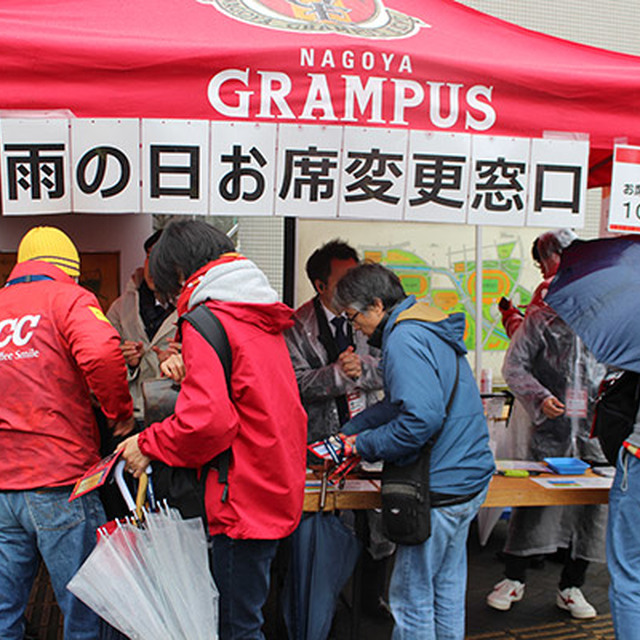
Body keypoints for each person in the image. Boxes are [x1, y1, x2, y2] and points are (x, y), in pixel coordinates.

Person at [117, 219, 307, 640]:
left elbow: (209, 421)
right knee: (248, 618)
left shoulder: (206, 320)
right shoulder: (255, 313)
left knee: (236, 628)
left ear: (183, 273)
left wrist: (148, 443)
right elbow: (248, 398)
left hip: (240, 497)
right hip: (272, 484)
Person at [335, 262, 495, 639]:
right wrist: (355, 427)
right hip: (466, 481)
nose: (354, 327)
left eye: (354, 316)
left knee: (412, 595)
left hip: (437, 486)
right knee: (446, 588)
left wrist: (362, 444)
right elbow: (406, 403)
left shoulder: (405, 338)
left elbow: (420, 420)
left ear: (376, 304)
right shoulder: (427, 326)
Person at [0, 226, 134, 640]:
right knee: (83, 607)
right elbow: (101, 352)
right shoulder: (69, 298)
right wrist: (120, 413)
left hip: (4, 482)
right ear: (69, 270)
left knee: (4, 607)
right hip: (59, 482)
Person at [486, 232, 607, 619]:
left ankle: (573, 585)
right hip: (550, 427)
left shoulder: (608, 317)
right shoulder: (542, 314)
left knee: (592, 510)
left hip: (596, 430)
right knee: (535, 502)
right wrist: (539, 397)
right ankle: (514, 577)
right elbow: (514, 365)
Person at [284, 240, 390, 624]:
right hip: (318, 441)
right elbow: (291, 384)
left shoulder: (374, 318)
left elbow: (390, 368)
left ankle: (370, 599)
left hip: (370, 436)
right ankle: (318, 610)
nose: (355, 284)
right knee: (323, 526)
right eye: (345, 278)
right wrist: (337, 375)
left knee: (376, 523)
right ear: (319, 284)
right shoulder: (295, 327)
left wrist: (362, 369)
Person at [107, 229, 179, 426]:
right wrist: (129, 363)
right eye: (149, 257)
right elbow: (104, 365)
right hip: (131, 417)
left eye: (162, 260)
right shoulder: (121, 307)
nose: (153, 268)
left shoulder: (194, 310)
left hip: (175, 417)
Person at [498, 229, 578, 339]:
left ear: (553, 256)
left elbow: (525, 338)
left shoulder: (548, 289)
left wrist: (510, 315)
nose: (540, 267)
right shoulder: (589, 283)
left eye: (541, 260)